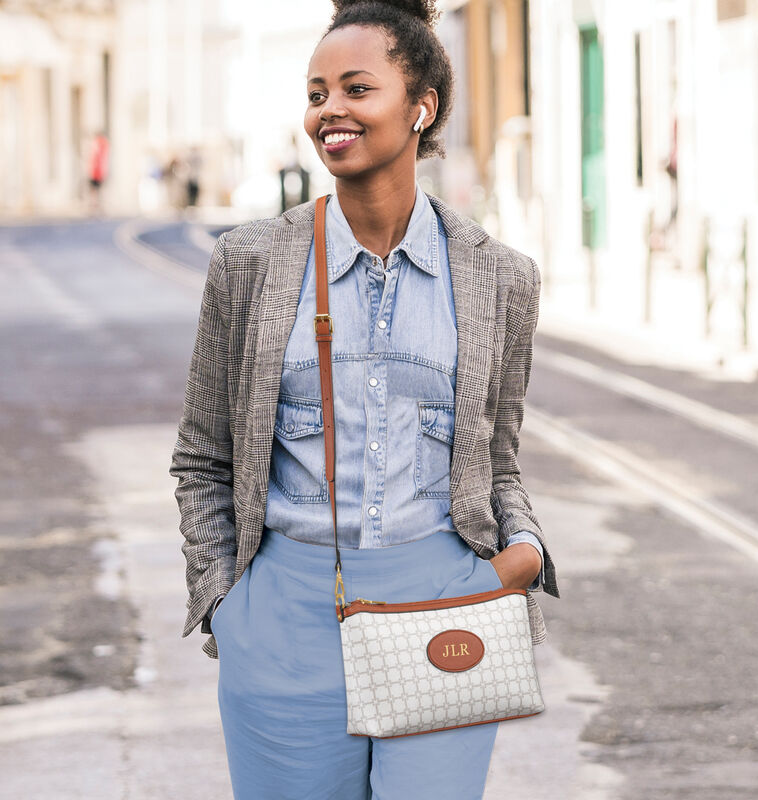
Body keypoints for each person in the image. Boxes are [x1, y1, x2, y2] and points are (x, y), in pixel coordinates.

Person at [169, 1, 559, 797]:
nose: (330, 111)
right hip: (280, 623)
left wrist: (521, 555)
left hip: (446, 616)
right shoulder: (248, 263)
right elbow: (203, 457)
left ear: (423, 108)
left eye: (355, 88)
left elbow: (497, 456)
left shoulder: (500, 277)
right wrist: (227, 607)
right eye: (317, 94)